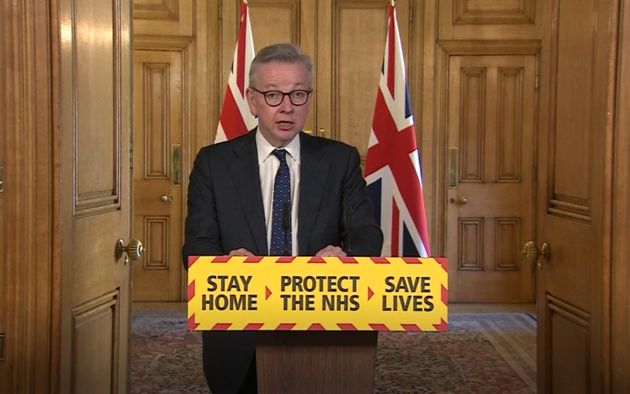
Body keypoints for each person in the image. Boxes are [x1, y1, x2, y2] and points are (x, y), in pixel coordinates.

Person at [182, 42, 383, 394]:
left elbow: (367, 235)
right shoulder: (213, 163)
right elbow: (196, 246)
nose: (287, 107)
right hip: (239, 330)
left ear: (310, 96)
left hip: (323, 328)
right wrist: (224, 266)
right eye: (273, 95)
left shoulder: (341, 160)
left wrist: (346, 258)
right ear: (251, 99)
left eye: (298, 94)